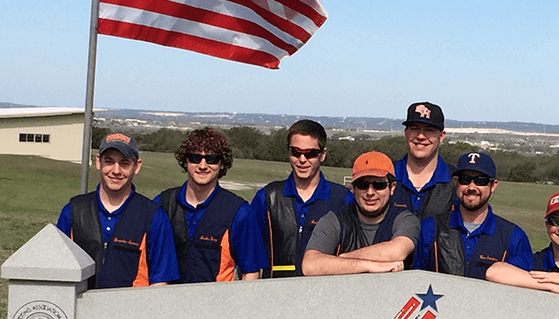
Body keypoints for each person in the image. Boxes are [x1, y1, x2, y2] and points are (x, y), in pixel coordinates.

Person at [55, 132, 177, 319]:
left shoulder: (152, 216)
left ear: (137, 166)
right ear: (97, 163)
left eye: (124, 163)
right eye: (109, 161)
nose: (116, 170)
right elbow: (57, 274)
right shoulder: (74, 211)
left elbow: (160, 283)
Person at [154, 128, 263, 286]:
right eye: (195, 158)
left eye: (211, 159)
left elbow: (250, 271)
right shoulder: (163, 203)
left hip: (218, 305)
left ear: (222, 163)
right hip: (168, 304)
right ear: (185, 161)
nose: (203, 165)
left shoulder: (239, 211)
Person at [250, 120, 352, 277]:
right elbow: (251, 257)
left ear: (322, 155)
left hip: (326, 294)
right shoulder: (267, 197)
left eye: (310, 153)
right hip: (275, 294)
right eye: (296, 152)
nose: (302, 159)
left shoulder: (343, 199)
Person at [414, 151, 532, 279]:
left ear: (493, 185)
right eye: (465, 180)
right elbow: (415, 280)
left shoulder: (514, 237)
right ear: (455, 182)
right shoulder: (430, 228)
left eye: (480, 181)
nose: (471, 187)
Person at [302, 151, 419, 275]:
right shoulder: (334, 220)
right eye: (362, 185)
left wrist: (339, 261)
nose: (370, 192)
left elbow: (397, 251)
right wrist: (367, 266)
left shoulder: (405, 219)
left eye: (379, 185)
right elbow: (310, 265)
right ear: (352, 188)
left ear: (392, 188)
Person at [391, 101, 456, 219]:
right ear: (406, 133)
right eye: (414, 128)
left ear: (441, 136)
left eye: (429, 130)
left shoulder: (457, 181)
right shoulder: (386, 174)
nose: (421, 136)